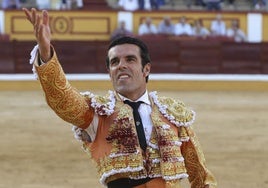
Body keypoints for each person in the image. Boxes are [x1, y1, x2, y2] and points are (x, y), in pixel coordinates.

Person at [23, 8, 217, 188]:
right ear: (109, 73)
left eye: (130, 59)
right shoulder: (97, 113)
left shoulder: (173, 114)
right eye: (115, 62)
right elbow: (62, 98)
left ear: (146, 69)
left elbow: (199, 174)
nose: (121, 65)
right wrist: (46, 54)